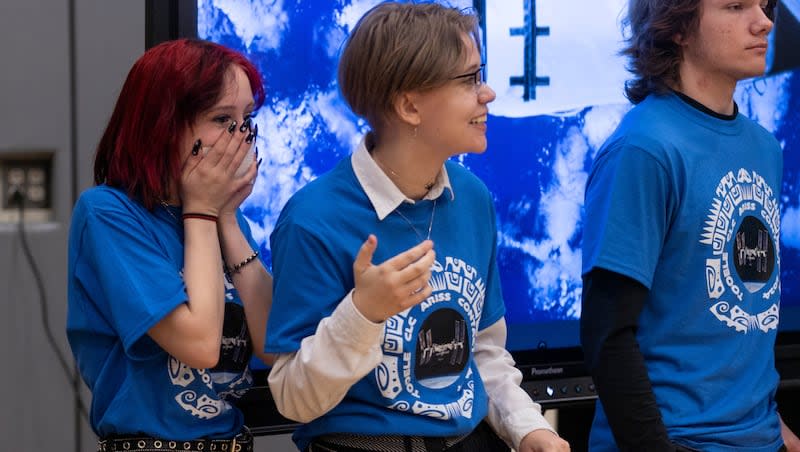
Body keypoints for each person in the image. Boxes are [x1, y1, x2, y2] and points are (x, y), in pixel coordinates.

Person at [264, 3, 570, 452]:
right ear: (409, 105)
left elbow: (483, 352)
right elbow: (293, 398)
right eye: (468, 80)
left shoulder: (472, 198)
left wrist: (529, 428)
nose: (487, 94)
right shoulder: (312, 219)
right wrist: (363, 313)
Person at [581, 0, 800, 450]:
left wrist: (769, 423)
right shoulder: (643, 149)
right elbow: (607, 336)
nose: (763, 22)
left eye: (764, 5)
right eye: (736, 6)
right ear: (676, 28)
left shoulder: (764, 148)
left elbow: (741, 319)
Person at [67, 38, 273, 452]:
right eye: (221, 118)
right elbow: (199, 344)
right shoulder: (108, 213)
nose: (241, 136)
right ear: (163, 123)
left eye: (247, 118)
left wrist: (227, 219)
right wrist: (201, 212)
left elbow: (275, 345)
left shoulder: (221, 218)